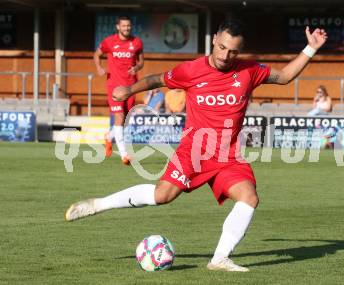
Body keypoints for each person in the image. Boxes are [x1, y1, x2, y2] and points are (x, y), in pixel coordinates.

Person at [66, 19, 327, 272]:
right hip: (193, 150)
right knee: (162, 196)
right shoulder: (190, 70)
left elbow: (283, 76)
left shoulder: (248, 71)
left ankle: (220, 260)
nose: (225, 55)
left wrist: (311, 48)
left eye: (233, 51)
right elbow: (157, 79)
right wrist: (128, 90)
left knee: (249, 198)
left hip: (228, 155)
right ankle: (98, 204)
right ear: (214, 40)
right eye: (222, 47)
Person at [94, 15, 144, 165]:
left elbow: (141, 61)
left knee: (124, 121)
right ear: (118, 27)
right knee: (120, 117)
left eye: (128, 26)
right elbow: (97, 54)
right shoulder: (109, 42)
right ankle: (124, 155)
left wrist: (137, 67)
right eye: (124, 26)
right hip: (114, 86)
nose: (126, 28)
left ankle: (109, 137)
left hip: (130, 86)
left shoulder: (136, 42)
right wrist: (99, 67)